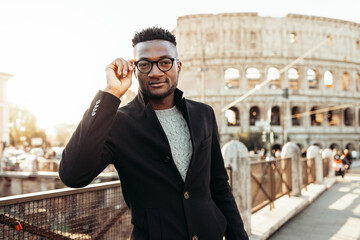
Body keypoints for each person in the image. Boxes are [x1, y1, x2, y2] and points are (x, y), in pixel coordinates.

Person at [59, 27, 249, 240]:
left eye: (165, 62)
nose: (156, 72)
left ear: (178, 66)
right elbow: (72, 175)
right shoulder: (119, 123)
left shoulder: (204, 114)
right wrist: (111, 93)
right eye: (145, 64)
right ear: (135, 68)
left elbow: (219, 185)